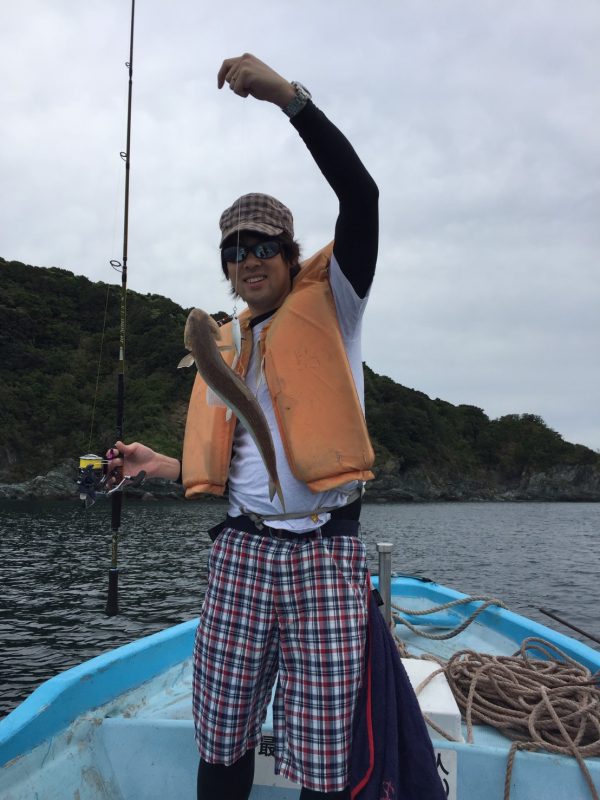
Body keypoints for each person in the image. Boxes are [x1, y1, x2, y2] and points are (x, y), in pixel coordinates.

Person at [109, 53, 378, 800]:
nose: (248, 260)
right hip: (240, 553)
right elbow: (241, 463)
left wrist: (290, 100)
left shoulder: (337, 305)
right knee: (221, 735)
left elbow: (362, 194)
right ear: (226, 270)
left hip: (324, 554)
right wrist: (161, 464)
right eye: (235, 251)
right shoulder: (221, 344)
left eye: (263, 247)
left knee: (324, 755)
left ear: (290, 256)